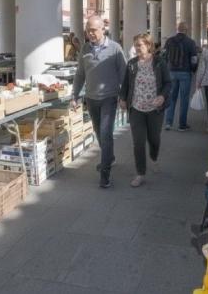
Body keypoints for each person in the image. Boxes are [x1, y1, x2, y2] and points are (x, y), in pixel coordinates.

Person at [71, 16, 127, 188]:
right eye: (88, 30)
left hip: (109, 98)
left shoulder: (115, 49)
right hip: (91, 99)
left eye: (93, 30)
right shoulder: (85, 49)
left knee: (106, 133)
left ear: (103, 29)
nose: (90, 33)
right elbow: (80, 74)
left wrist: (124, 97)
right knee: (98, 132)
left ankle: (105, 173)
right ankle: (109, 158)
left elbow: (124, 74)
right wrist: (75, 95)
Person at [119, 33, 171, 187]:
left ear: (148, 45)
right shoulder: (132, 64)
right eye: (135, 45)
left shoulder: (159, 62)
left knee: (154, 139)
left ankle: (153, 157)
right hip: (136, 108)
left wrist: (162, 96)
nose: (137, 48)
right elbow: (126, 84)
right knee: (138, 142)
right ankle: (140, 173)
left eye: (139, 45)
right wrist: (122, 98)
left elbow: (168, 83)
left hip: (155, 109)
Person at [162, 21, 198, 131]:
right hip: (185, 73)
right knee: (184, 99)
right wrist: (193, 70)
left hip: (171, 72)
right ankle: (182, 125)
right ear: (186, 30)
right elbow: (194, 59)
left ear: (177, 29)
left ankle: (168, 122)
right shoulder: (190, 42)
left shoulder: (169, 41)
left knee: (171, 98)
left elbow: (164, 56)